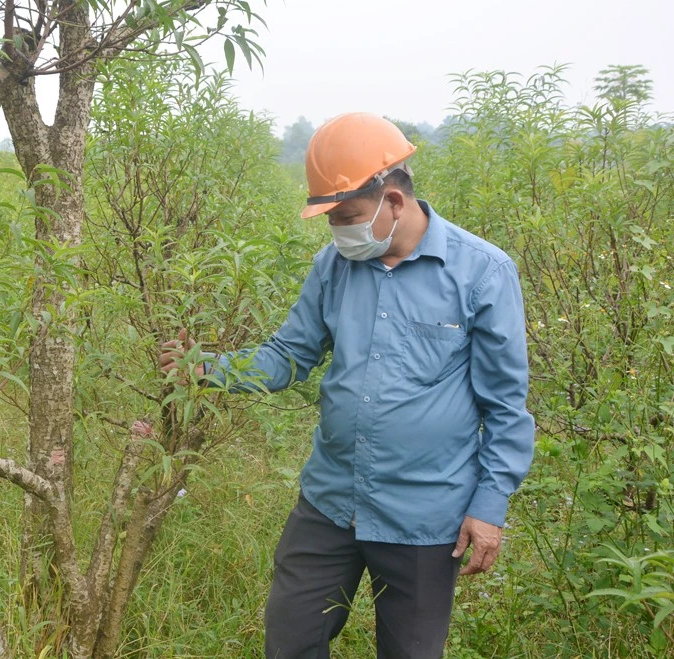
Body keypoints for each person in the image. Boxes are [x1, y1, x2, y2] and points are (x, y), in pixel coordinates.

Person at [159, 113, 535, 659]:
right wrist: (210, 368)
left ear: (395, 202)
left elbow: (505, 405)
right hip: (331, 500)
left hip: (425, 515)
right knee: (290, 641)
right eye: (332, 219)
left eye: (349, 216)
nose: (340, 230)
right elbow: (289, 355)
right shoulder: (334, 265)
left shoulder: (482, 273)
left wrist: (490, 504)